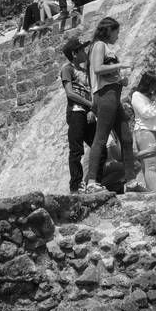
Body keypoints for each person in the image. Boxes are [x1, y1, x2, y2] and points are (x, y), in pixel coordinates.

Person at [83, 17, 144, 194]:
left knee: (126, 137)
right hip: (105, 95)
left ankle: (131, 181)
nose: (118, 36)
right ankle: (92, 182)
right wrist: (120, 65)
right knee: (101, 138)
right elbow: (97, 68)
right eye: (117, 32)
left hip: (113, 95)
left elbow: (106, 73)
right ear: (109, 30)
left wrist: (120, 79)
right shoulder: (99, 45)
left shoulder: (104, 47)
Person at [61, 37, 100, 194]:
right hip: (76, 112)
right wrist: (89, 104)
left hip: (88, 112)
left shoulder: (86, 71)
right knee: (76, 150)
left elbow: (91, 92)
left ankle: (94, 182)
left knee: (100, 147)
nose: (85, 52)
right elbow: (70, 93)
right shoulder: (67, 69)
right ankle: (76, 186)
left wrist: (92, 110)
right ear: (74, 53)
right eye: (82, 50)